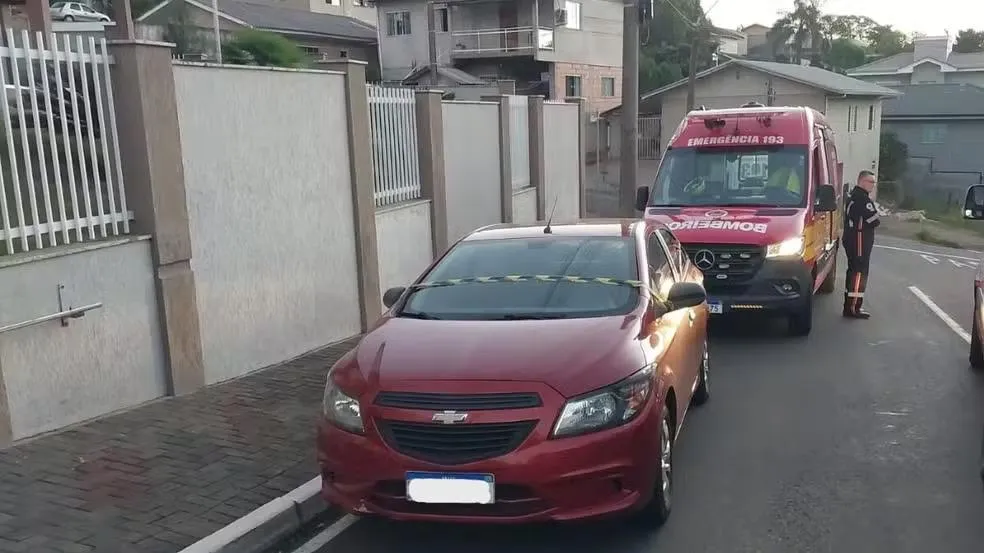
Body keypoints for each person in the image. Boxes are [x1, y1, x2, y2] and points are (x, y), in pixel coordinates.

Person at [842, 170, 879, 319]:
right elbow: (874, 220)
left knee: (853, 271)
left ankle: (849, 304)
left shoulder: (853, 196)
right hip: (859, 240)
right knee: (859, 272)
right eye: (871, 182)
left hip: (852, 238)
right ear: (862, 181)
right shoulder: (862, 199)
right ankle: (853, 307)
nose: (873, 185)